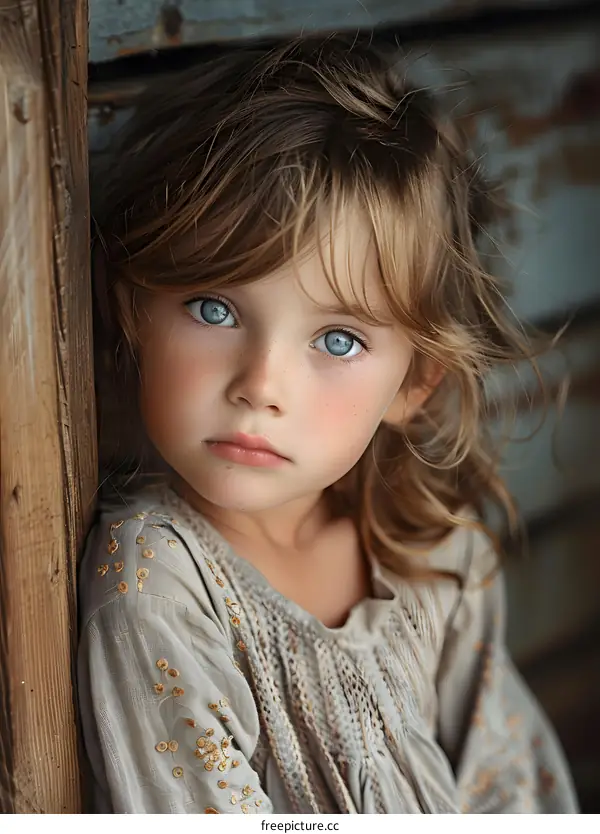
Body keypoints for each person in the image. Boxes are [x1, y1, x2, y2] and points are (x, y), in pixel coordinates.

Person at [78, 34, 578, 814]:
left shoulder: (435, 559)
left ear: (414, 384)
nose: (260, 387)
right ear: (133, 311)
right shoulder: (158, 589)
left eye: (337, 340)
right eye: (214, 309)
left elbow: (514, 792)